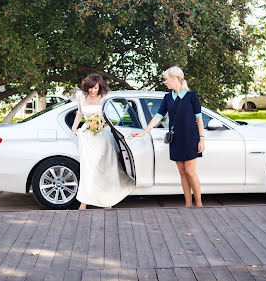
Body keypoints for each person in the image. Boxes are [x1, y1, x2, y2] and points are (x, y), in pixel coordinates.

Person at [132, 66, 205, 207]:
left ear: (174, 78)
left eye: (166, 79)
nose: (165, 82)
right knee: (182, 172)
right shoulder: (167, 97)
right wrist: (144, 132)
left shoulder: (192, 96)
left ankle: (199, 204)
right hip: (176, 139)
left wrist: (202, 138)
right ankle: (188, 204)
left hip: (191, 139)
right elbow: (158, 117)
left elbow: (199, 119)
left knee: (190, 171)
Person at [72, 73, 134, 210]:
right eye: (91, 88)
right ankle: (84, 202)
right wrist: (74, 128)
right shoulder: (81, 98)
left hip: (102, 136)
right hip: (88, 136)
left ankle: (107, 201)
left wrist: (102, 124)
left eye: (96, 88)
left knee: (105, 168)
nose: (93, 91)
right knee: (89, 169)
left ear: (100, 87)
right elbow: (80, 113)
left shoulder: (104, 98)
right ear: (87, 87)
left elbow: (111, 117)